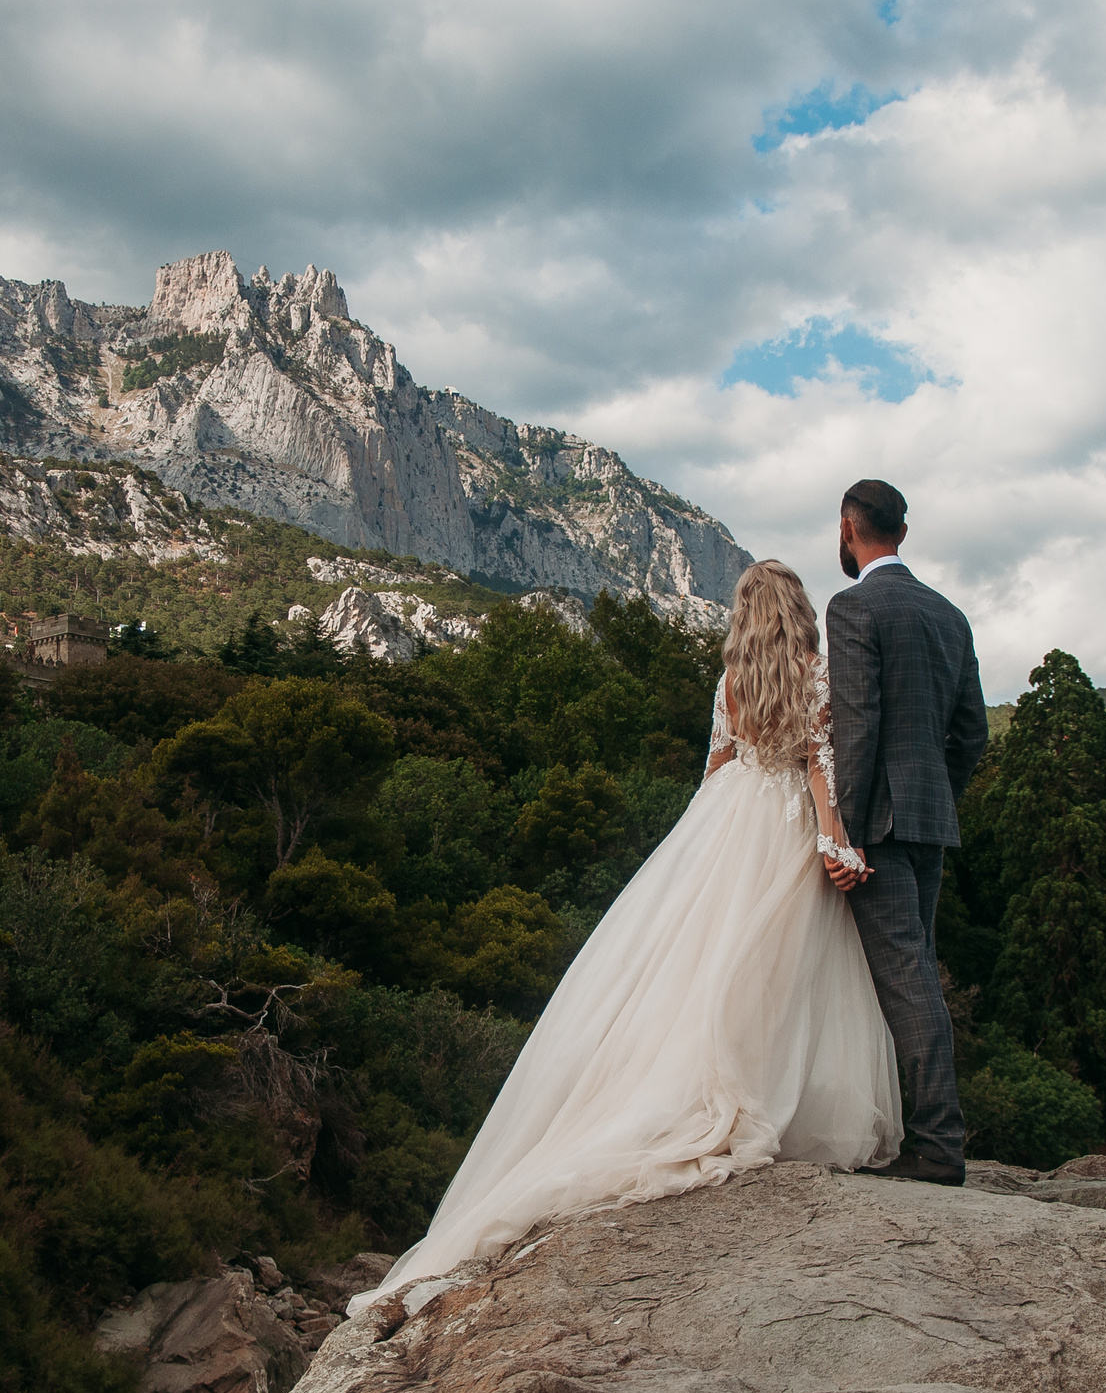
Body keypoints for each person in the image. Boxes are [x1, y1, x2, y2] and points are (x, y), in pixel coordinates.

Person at [351, 560, 902, 1313]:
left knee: (704, 967)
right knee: (783, 970)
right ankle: (773, 1093)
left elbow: (715, 769)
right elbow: (819, 769)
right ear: (800, 611)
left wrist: (692, 852)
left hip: (731, 820)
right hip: (783, 826)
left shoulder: (731, 681)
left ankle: (712, 1084)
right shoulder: (817, 674)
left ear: (744, 614)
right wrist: (833, 840)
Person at [822, 478, 988, 1185]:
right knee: (917, 969)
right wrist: (935, 796)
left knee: (909, 979)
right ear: (902, 532)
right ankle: (925, 1133)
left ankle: (939, 1147)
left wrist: (848, 837)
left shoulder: (853, 606)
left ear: (847, 528)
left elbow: (856, 725)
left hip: (878, 828)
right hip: (929, 821)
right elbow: (972, 734)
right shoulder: (950, 615)